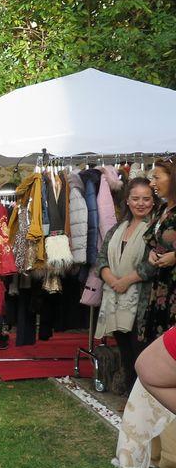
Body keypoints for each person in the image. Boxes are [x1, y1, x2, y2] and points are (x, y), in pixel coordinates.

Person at [96, 177, 155, 388]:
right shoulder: (118, 228)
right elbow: (101, 258)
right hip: (116, 300)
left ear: (153, 201)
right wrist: (112, 280)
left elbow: (155, 263)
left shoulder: (155, 230)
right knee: (126, 354)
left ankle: (142, 401)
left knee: (141, 354)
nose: (141, 203)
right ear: (127, 201)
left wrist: (127, 281)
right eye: (136, 198)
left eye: (146, 199)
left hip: (141, 302)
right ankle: (131, 398)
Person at [136, 159, 176, 346]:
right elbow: (155, 241)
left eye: (156, 178)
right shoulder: (163, 208)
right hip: (161, 286)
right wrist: (153, 252)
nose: (152, 184)